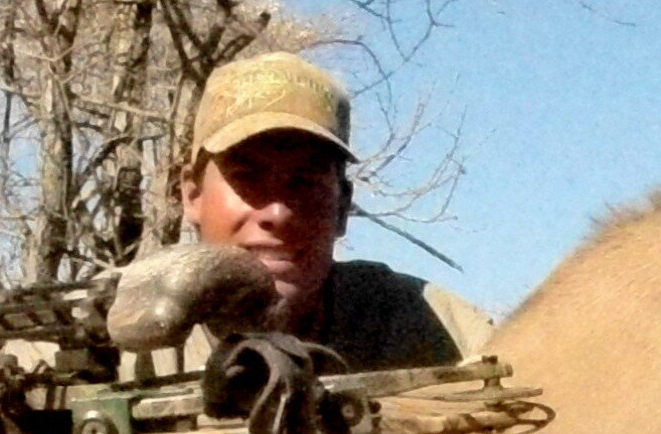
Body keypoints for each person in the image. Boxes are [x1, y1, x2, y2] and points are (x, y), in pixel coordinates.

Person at [173, 52, 492, 369]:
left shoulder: (437, 332)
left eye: (305, 181)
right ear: (192, 195)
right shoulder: (132, 355)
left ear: (342, 208)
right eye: (248, 178)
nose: (278, 214)